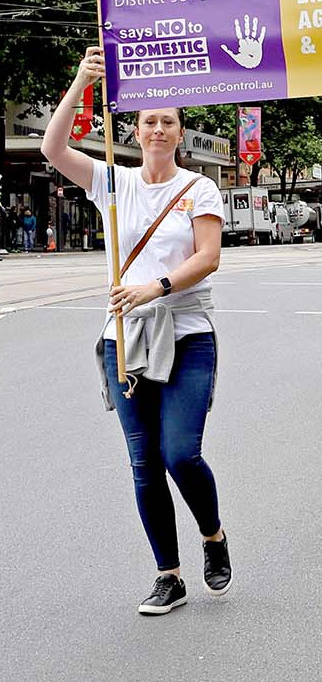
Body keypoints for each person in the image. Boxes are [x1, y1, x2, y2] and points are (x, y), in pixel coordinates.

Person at [41, 46, 231, 617]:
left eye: (167, 122)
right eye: (148, 121)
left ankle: (213, 536)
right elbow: (52, 149)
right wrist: (80, 80)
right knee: (144, 462)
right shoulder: (112, 182)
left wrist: (157, 287)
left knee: (180, 453)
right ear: (135, 128)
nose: (156, 130)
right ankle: (168, 575)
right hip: (121, 340)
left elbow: (209, 257)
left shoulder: (199, 189)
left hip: (186, 331)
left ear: (179, 132)